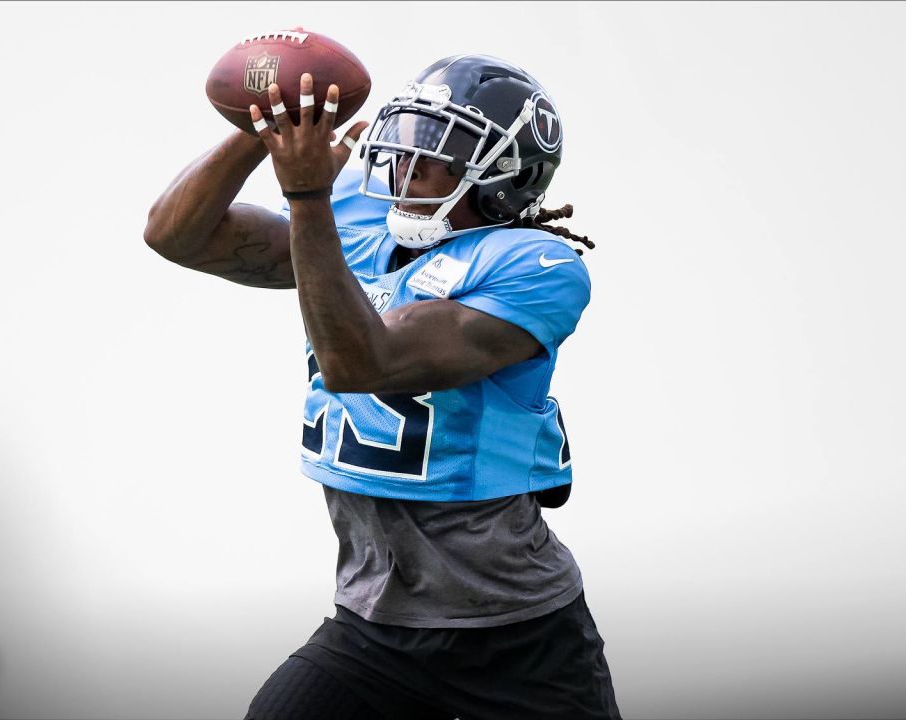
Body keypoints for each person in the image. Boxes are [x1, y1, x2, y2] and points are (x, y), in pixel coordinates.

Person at [144, 53, 619, 720]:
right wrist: (270, 127)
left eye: (441, 149)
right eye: (413, 137)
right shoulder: (363, 220)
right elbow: (175, 235)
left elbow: (360, 362)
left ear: (505, 178)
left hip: (515, 635)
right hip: (373, 622)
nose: (409, 163)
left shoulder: (535, 266)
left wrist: (306, 197)